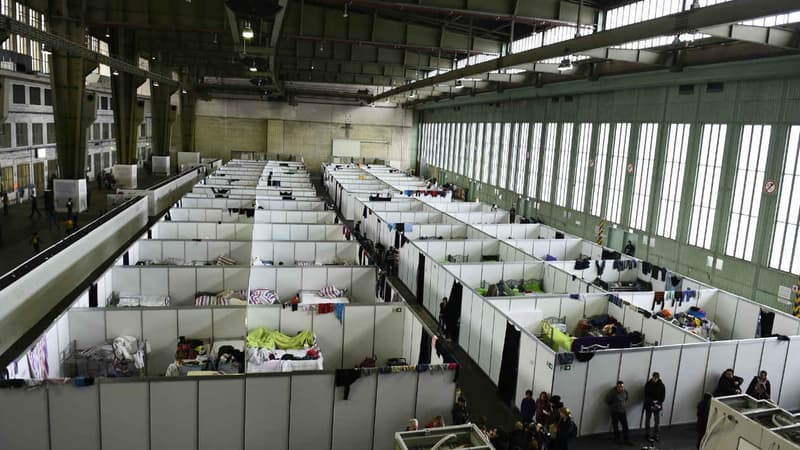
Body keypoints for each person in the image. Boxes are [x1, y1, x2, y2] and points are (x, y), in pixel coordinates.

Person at [605, 380, 632, 445]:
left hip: (623, 411)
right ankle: (617, 439)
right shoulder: (612, 392)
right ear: (616, 386)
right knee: (615, 426)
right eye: (619, 387)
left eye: (622, 387)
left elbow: (626, 399)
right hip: (615, 412)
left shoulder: (625, 391)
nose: (620, 388)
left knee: (625, 426)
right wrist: (614, 406)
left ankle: (626, 440)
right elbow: (608, 400)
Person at [643, 372, 666, 441]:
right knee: (647, 420)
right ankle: (647, 433)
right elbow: (645, 395)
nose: (655, 379)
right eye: (654, 378)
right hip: (649, 404)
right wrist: (652, 401)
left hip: (657, 405)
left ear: (658, 378)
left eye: (656, 378)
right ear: (652, 377)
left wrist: (658, 402)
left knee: (657, 421)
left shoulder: (662, 385)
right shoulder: (648, 384)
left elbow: (663, 397)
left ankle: (656, 435)